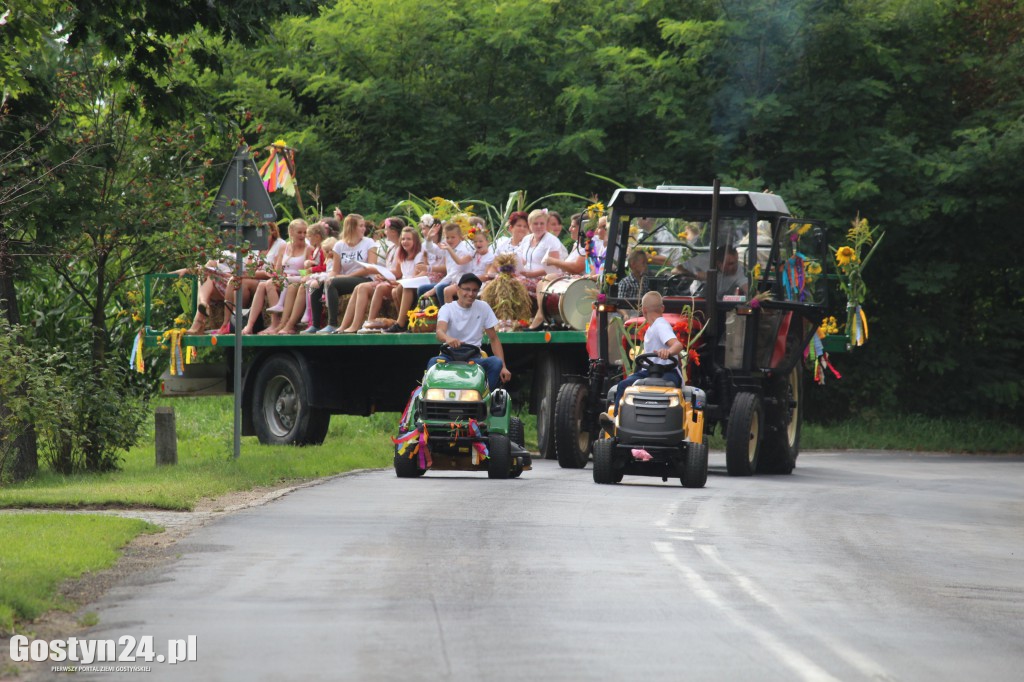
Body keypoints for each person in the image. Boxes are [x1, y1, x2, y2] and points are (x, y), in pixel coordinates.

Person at [604, 291, 684, 422]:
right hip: (650, 371)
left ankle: (617, 419)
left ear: (643, 310)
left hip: (667, 372)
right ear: (662, 308)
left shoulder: (661, 325)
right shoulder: (653, 328)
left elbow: (678, 345)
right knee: (624, 384)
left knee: (629, 386)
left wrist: (668, 352)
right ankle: (618, 419)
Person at [429, 273, 511, 391]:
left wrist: (503, 367)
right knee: (433, 363)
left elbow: (494, 338)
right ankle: (433, 399)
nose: (471, 294)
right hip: (450, 355)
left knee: (496, 363)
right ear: (458, 289)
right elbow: (439, 332)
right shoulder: (447, 308)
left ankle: (485, 397)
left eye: (474, 290)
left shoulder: (483, 307)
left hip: (473, 357)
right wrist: (448, 339)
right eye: (467, 289)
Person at [307, 213, 377, 334]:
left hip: (365, 278)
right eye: (360, 226)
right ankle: (315, 324)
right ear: (352, 227)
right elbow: (335, 270)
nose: (364, 229)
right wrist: (324, 278)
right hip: (344, 279)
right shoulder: (339, 245)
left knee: (333, 283)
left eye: (363, 226)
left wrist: (346, 276)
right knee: (317, 284)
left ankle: (332, 324)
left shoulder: (369, 243)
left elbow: (371, 268)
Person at [243, 219, 310, 335]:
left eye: (305, 232)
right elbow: (278, 269)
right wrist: (278, 275)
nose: (303, 235)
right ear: (291, 232)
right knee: (262, 285)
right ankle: (250, 325)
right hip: (284, 279)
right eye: (299, 232)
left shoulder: (308, 248)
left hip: (297, 279)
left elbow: (308, 272)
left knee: (269, 283)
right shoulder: (285, 247)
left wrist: (297, 274)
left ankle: (278, 324)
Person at [339, 217, 404, 332]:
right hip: (387, 280)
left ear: (393, 232)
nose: (384, 232)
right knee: (358, 287)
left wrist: (384, 275)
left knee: (363, 287)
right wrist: (381, 274)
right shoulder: (391, 248)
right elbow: (389, 269)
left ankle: (367, 323)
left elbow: (398, 272)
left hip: (395, 282)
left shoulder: (400, 249)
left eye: (386, 229)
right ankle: (345, 325)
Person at [515, 208, 566, 294]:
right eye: (535, 223)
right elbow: (523, 260)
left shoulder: (551, 240)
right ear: (529, 224)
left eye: (542, 223)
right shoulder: (526, 239)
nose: (539, 226)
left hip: (545, 279)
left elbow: (554, 268)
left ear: (546, 225)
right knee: (501, 279)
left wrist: (531, 274)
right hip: (527, 276)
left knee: (516, 284)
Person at [674, 245, 747, 298]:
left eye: (736, 262)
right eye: (730, 263)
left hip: (723, 304)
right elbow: (675, 270)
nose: (735, 266)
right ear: (719, 263)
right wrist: (695, 275)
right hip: (698, 299)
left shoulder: (738, 270)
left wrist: (755, 296)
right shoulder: (704, 261)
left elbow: (747, 288)